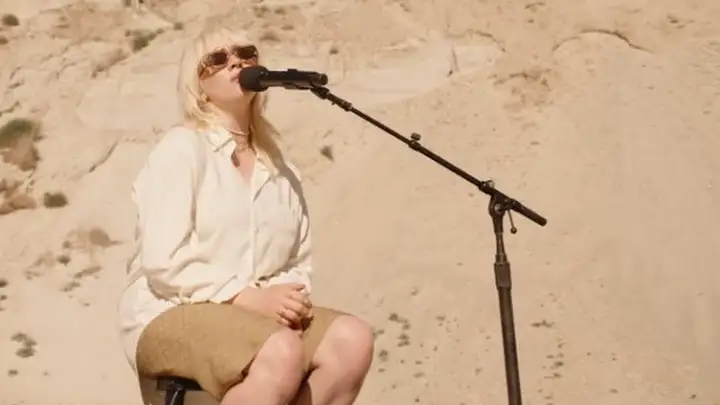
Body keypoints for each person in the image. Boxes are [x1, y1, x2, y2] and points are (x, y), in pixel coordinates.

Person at [116, 25, 374, 405]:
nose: (236, 62)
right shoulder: (181, 149)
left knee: (351, 340)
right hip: (170, 309)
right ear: (197, 85)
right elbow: (163, 262)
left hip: (257, 319)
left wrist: (283, 302)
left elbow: (296, 261)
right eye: (218, 59)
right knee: (280, 349)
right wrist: (247, 298)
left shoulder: (281, 169)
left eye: (246, 53)